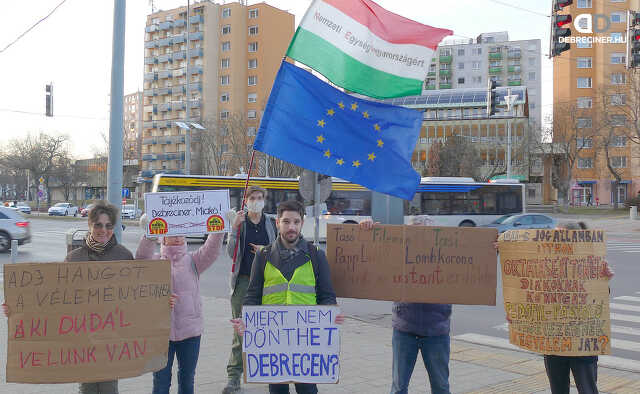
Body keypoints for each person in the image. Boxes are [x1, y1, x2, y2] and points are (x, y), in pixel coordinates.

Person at [231, 200, 343, 394]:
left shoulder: (316, 255)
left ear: (302, 223)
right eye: (286, 222)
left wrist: (331, 313)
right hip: (273, 343)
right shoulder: (263, 255)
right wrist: (246, 318)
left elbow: (326, 295)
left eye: (296, 222)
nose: (291, 227)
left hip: (307, 342)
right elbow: (253, 295)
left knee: (308, 391)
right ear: (277, 223)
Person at [497, 220, 614, 394]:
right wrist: (519, 315)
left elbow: (599, 299)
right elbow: (532, 297)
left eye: (560, 235)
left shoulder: (590, 262)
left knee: (587, 390)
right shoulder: (543, 265)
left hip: (582, 343)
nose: (555, 239)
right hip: (553, 344)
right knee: (558, 390)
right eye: (554, 234)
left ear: (574, 239)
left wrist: (604, 279)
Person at [360, 216, 451, 394]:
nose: (421, 238)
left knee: (441, 386)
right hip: (405, 331)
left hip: (436, 331)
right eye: (415, 233)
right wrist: (366, 231)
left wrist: (490, 246)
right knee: (399, 387)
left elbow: (474, 261)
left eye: (426, 233)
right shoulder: (397, 253)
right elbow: (371, 258)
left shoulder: (447, 255)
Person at [136, 214, 224, 394]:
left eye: (180, 233)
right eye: (171, 233)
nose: (176, 237)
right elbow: (140, 259)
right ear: (163, 237)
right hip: (160, 334)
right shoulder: (153, 261)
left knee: (187, 380)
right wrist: (148, 233)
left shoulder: (194, 260)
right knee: (160, 382)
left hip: (190, 333)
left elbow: (211, 250)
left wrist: (219, 229)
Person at [66, 201, 134, 394]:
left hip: (112, 337)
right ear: (90, 225)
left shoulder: (124, 256)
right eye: (98, 224)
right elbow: (57, 299)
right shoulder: (74, 258)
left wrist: (163, 303)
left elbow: (137, 297)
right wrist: (19, 307)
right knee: (86, 388)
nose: (103, 230)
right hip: (83, 336)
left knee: (108, 388)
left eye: (108, 225)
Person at [223, 185, 277, 394]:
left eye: (260, 197)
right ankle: (233, 378)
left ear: (264, 200)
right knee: (241, 332)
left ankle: (272, 375)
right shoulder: (240, 222)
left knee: (269, 331)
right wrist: (234, 229)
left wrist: (265, 251)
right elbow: (231, 254)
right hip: (243, 282)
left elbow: (278, 251)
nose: (256, 201)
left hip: (268, 284)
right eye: (252, 197)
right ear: (245, 201)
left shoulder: (271, 223)